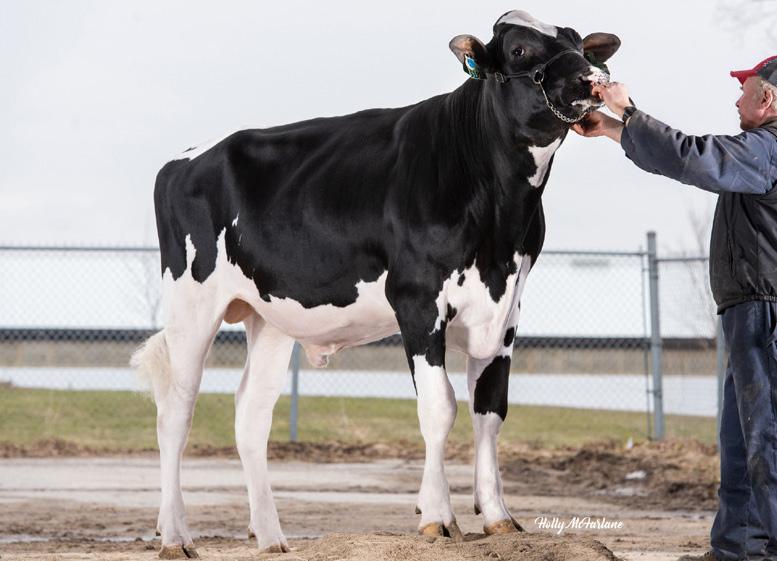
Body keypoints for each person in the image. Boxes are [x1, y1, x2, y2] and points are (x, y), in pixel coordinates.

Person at [572, 57, 777, 561]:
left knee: (768, 442)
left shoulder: (768, 149)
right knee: (741, 443)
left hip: (766, 316)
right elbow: (683, 159)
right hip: (748, 313)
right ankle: (739, 550)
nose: (736, 100)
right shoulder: (762, 152)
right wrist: (614, 130)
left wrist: (628, 112)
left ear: (767, 98)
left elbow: (693, 158)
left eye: (745, 90)